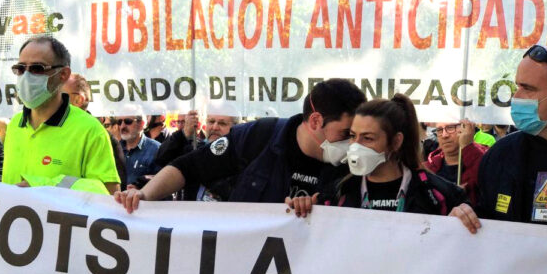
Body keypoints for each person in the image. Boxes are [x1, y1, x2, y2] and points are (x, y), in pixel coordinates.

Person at [115, 78, 366, 211]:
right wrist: (144, 195)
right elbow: (188, 167)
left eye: (358, 135)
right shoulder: (259, 136)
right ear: (315, 121)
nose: (352, 143)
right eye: (346, 133)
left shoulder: (354, 166)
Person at [451, 44, 547, 232]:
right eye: (517, 86)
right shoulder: (500, 156)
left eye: (528, 88)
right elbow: (486, 222)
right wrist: (463, 217)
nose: (515, 97)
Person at [312, 94, 467, 215]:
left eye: (367, 138)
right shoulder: (337, 193)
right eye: (353, 136)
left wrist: (462, 217)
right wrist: (303, 208)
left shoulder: (436, 194)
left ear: (396, 142)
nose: (356, 146)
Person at [1, 36, 120, 192]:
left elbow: (108, 193)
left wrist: (43, 186)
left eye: (37, 68)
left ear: (63, 74)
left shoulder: (90, 130)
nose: (26, 77)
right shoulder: (15, 125)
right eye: (21, 69)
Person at [155, 103, 241, 201]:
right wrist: (184, 133)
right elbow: (161, 159)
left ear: (237, 127)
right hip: (190, 214)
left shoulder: (241, 155)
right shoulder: (193, 149)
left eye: (222, 123)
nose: (215, 127)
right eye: (211, 121)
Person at [423, 120, 487, 206]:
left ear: (465, 128)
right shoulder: (427, 168)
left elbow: (488, 183)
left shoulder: (484, 157)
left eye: (450, 128)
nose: (444, 135)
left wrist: (468, 147)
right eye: (439, 130)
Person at [116, 105, 161, 188]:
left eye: (128, 121)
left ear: (141, 124)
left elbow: (163, 181)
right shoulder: (114, 149)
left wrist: (140, 187)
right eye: (119, 122)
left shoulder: (156, 149)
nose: (122, 126)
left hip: (144, 200)